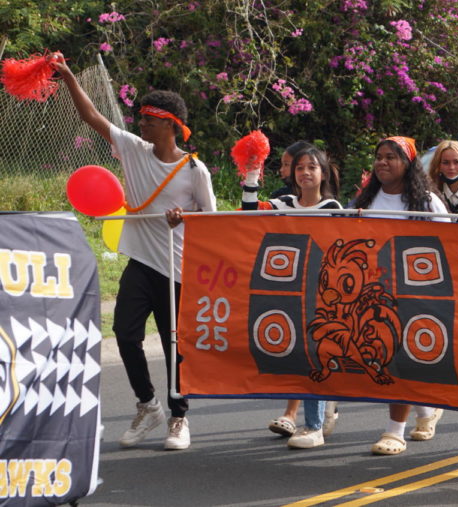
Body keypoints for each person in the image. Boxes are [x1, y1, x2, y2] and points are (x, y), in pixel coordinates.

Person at [53, 56, 217, 450]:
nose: (141, 124)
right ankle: (148, 406)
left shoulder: (196, 171)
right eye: (140, 117)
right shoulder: (133, 149)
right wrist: (70, 77)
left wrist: (185, 221)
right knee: (125, 334)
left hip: (177, 270)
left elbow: (212, 224)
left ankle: (179, 417)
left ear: (171, 124)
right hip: (140, 261)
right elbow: (91, 116)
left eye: (149, 119)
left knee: (174, 344)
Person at [240, 143, 342, 448]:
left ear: (322, 173)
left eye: (312, 167)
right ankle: (319, 413)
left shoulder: (334, 209)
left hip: (321, 295)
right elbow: (247, 213)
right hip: (286, 291)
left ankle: (313, 426)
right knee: (296, 356)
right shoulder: (282, 202)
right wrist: (251, 174)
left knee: (314, 354)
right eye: (300, 168)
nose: (306, 173)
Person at [355, 136, 451, 456]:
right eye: (378, 157)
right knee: (383, 356)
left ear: (408, 164)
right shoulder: (365, 201)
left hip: (415, 294)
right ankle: (425, 409)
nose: (382, 162)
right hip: (373, 292)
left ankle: (395, 432)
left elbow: (444, 248)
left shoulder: (427, 203)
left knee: (399, 357)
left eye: (390, 157)